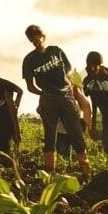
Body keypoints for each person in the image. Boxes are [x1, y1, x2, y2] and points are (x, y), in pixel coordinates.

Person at [21, 24, 90, 177]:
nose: (36, 41)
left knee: (76, 134)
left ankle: (86, 173)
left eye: (37, 37)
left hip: (66, 98)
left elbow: (69, 73)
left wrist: (73, 91)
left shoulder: (56, 51)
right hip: (48, 101)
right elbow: (30, 86)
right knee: (50, 136)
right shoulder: (29, 60)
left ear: (42, 36)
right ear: (30, 40)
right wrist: (44, 94)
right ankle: (50, 173)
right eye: (32, 39)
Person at [0, 76, 24, 156]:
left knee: (14, 141)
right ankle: (4, 155)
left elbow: (20, 91)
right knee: (1, 146)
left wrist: (16, 105)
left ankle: (13, 155)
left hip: (8, 117)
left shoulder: (4, 87)